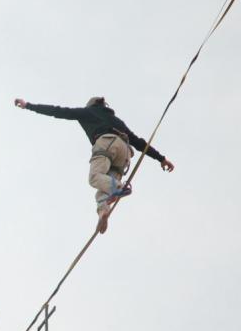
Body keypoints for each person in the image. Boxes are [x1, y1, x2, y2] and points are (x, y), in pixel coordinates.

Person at [14, 96, 174, 234]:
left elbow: (58, 111)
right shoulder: (117, 121)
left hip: (107, 143)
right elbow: (139, 143)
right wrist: (161, 158)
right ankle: (104, 211)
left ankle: (119, 188)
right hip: (125, 153)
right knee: (103, 190)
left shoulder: (88, 112)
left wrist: (28, 105)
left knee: (95, 177)